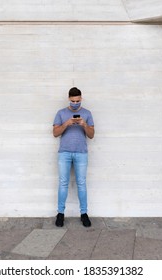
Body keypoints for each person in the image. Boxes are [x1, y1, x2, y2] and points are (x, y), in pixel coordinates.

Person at [53, 87, 95, 227]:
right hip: (64, 153)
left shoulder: (87, 113)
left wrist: (84, 124)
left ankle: (84, 214)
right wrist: (66, 123)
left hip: (81, 153)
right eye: (73, 101)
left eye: (77, 101)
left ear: (81, 99)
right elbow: (55, 133)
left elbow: (91, 135)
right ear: (69, 99)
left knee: (81, 183)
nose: (75, 103)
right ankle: (60, 214)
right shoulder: (61, 113)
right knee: (63, 183)